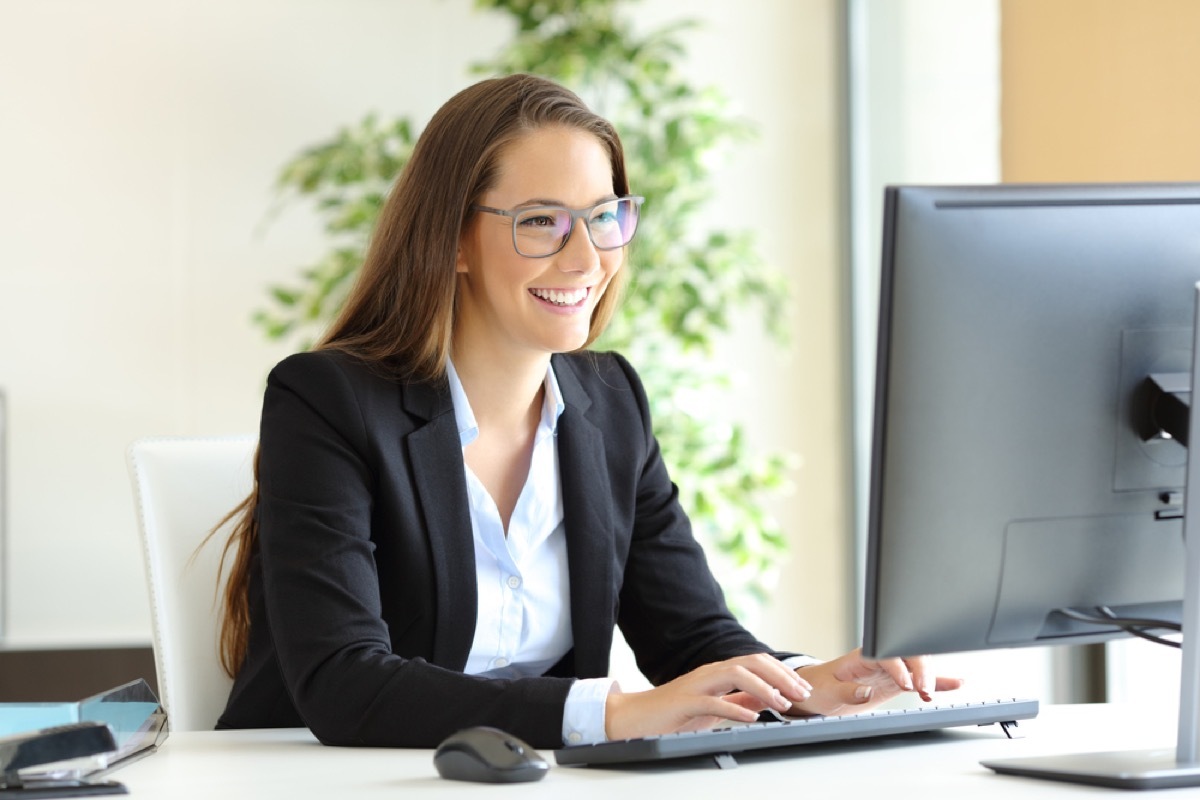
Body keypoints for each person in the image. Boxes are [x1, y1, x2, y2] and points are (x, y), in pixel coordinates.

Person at [211, 73, 962, 750]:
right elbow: (348, 685)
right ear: (455, 240)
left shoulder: (611, 404)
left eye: (604, 217)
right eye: (541, 221)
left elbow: (692, 638)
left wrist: (811, 685)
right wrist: (609, 714)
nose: (586, 259)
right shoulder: (327, 401)